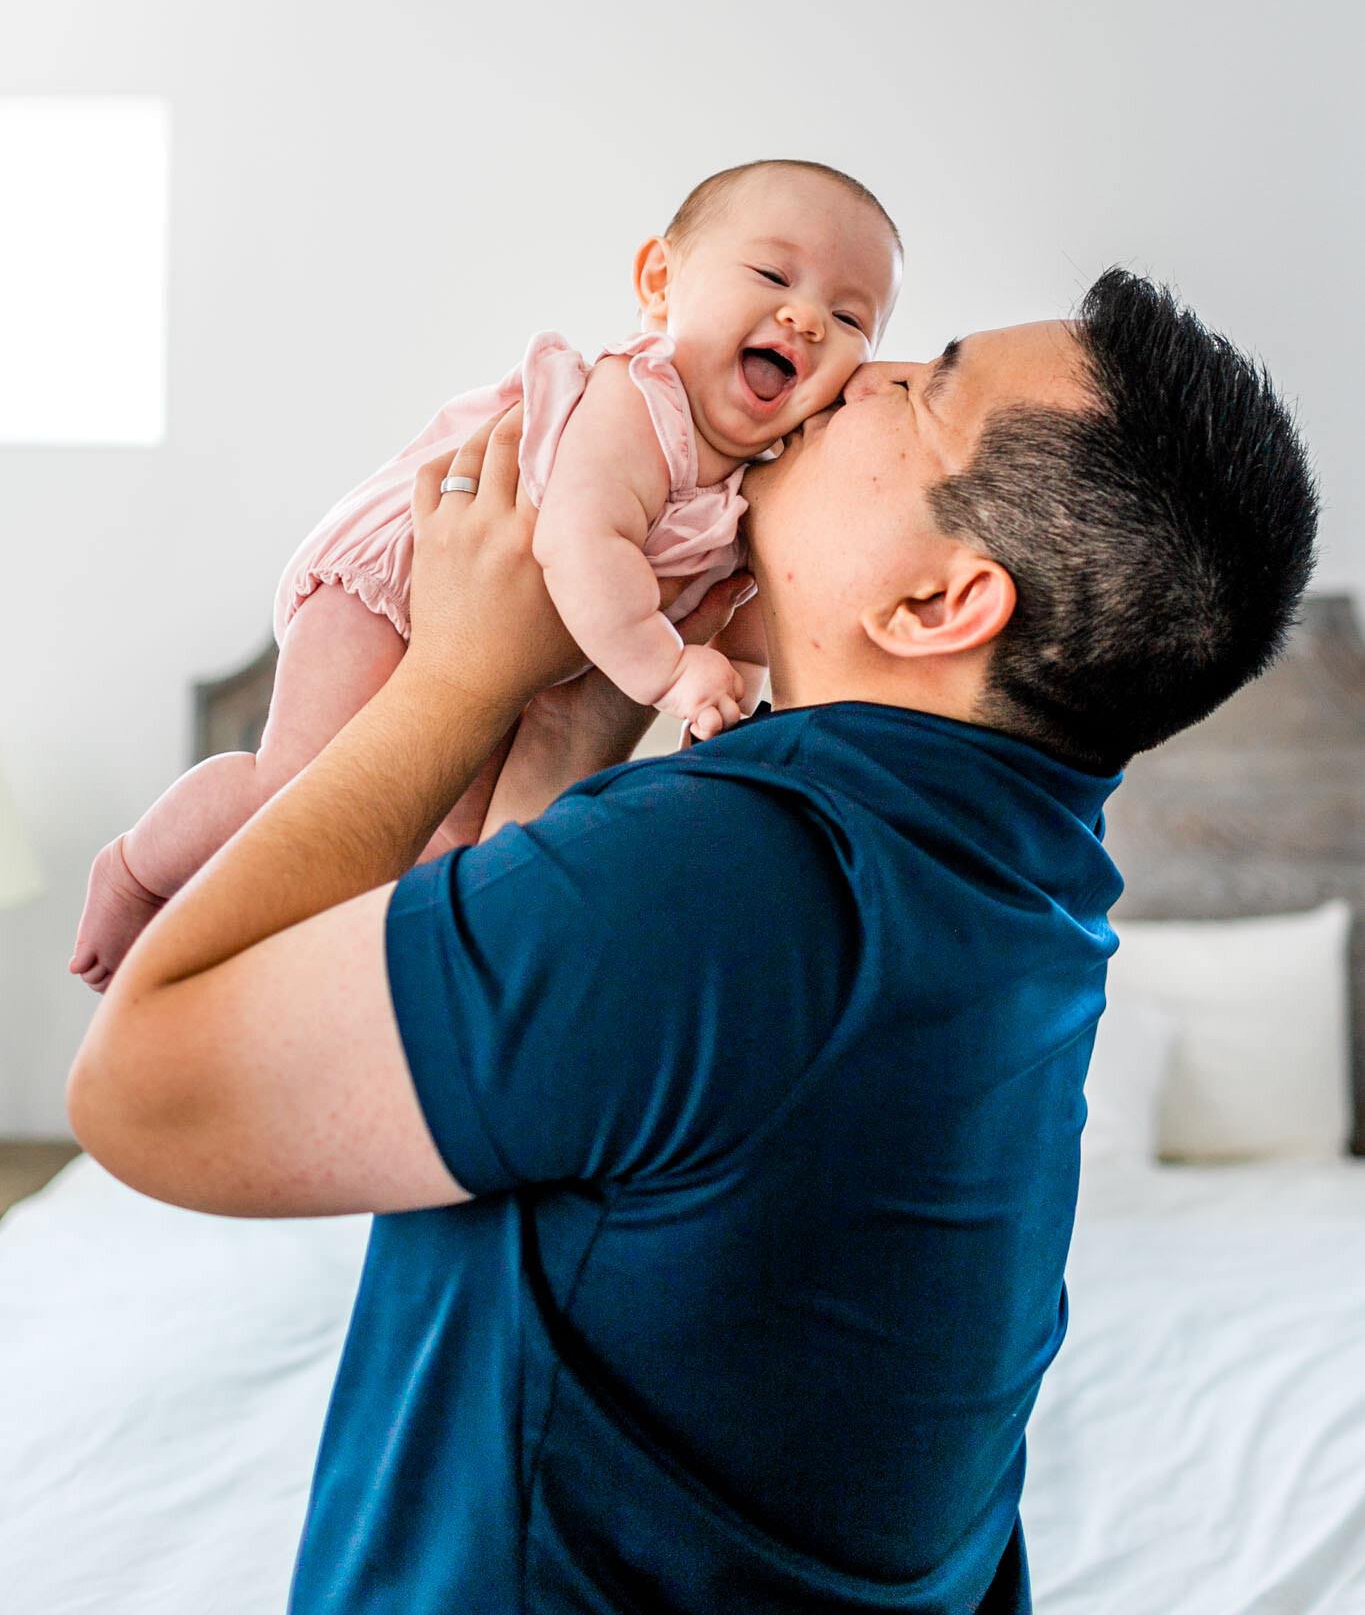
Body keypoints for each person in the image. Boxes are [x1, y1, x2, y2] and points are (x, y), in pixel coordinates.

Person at [67, 269, 1317, 1614]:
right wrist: (574, 718)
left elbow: (143, 1092)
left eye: (924, 392)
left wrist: (455, 677)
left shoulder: (736, 879)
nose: (861, 373)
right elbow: (555, 1089)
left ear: (938, 604)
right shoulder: (1024, 889)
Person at [68, 158, 902, 990]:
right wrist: (670, 669)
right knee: (298, 788)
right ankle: (137, 871)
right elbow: (581, 541)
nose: (804, 318)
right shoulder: (641, 401)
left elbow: (745, 619)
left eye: (849, 316)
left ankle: (317, 990)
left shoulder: (762, 477)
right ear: (659, 280)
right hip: (398, 582)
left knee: (445, 846)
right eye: (770, 274)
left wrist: (727, 701)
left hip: (512, 650)